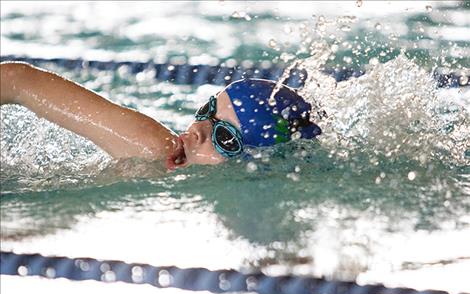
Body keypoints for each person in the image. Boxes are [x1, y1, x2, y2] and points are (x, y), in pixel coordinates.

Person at [0, 61, 321, 171]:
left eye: (223, 137)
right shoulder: (153, 147)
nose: (195, 130)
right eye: (207, 112)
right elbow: (15, 80)